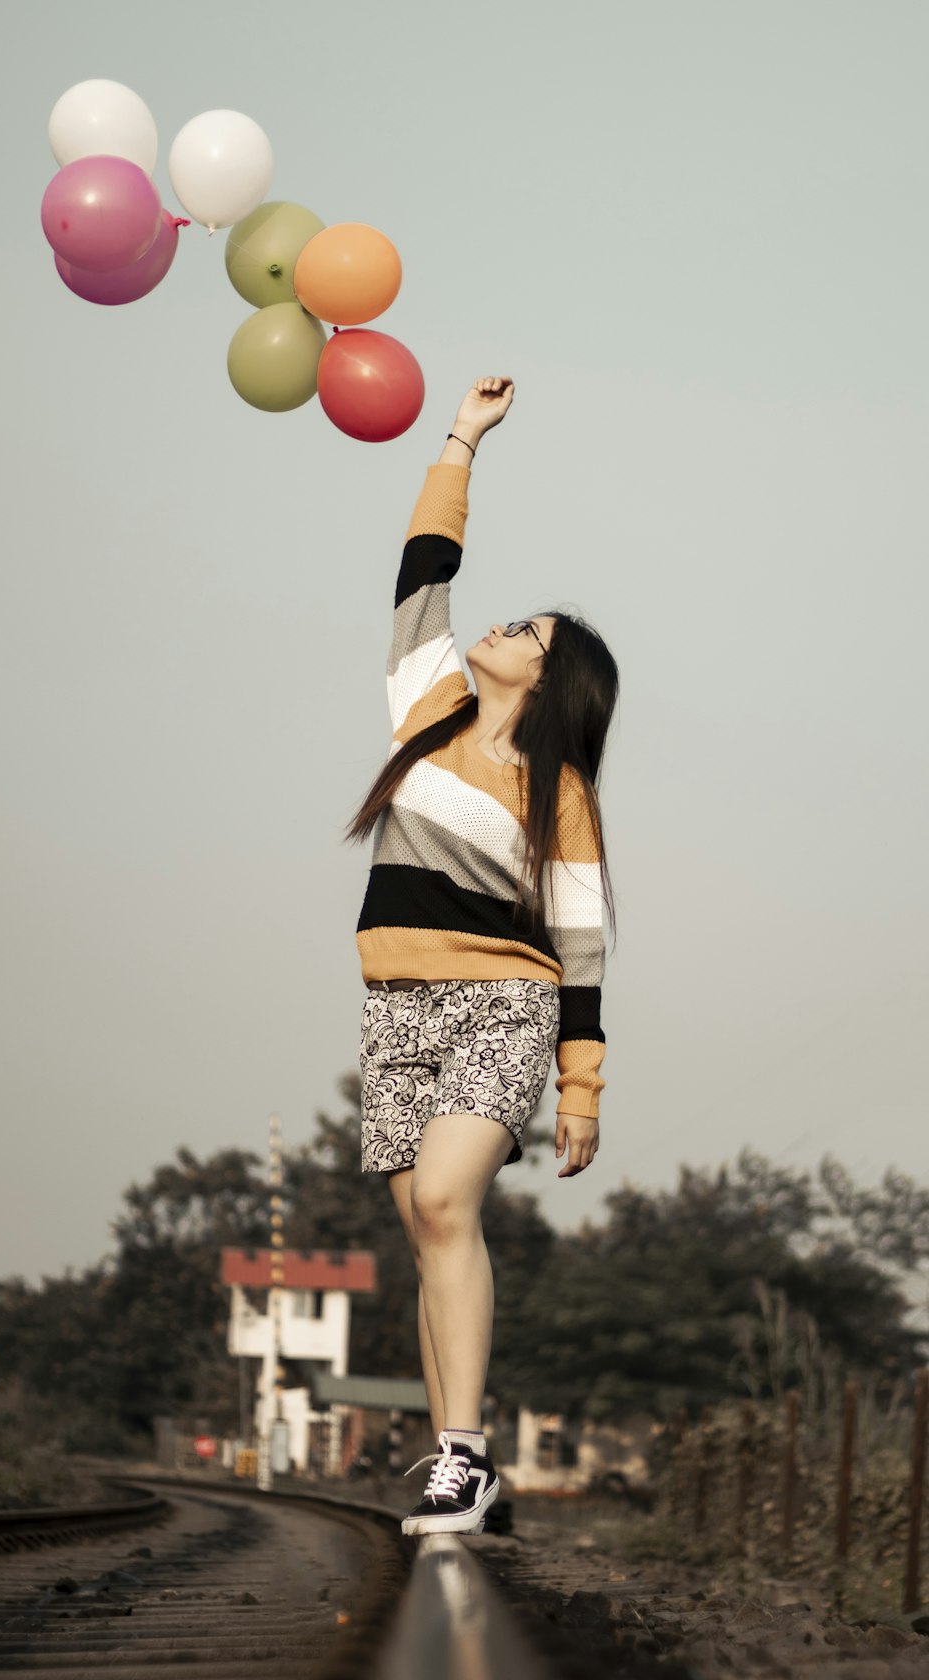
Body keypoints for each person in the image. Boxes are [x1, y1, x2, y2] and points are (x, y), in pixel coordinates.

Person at [347, 376, 619, 1536]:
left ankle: (460, 1460)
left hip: (504, 1004)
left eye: (531, 635)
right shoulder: (427, 708)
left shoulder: (558, 792)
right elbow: (423, 572)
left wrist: (581, 1086)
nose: (504, 629)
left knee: (450, 1204)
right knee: (428, 1235)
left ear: (550, 680)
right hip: (395, 1003)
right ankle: (461, 1462)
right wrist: (460, 440)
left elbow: (583, 942)